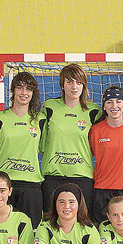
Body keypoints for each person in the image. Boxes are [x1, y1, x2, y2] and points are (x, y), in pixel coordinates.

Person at [0, 72, 46, 244]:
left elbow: (46, 148)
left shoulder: (40, 120)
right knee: (3, 239)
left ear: (33, 93)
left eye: (29, 89)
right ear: (12, 91)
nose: (24, 93)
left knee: (31, 243)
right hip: (4, 187)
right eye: (20, 88)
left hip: (32, 187)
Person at [40, 63, 101, 215]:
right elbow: (42, 144)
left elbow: (98, 145)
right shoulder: (50, 107)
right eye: (70, 82)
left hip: (82, 176)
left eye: (79, 82)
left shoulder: (93, 110)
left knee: (82, 224)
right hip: (53, 176)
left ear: (84, 85)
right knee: (51, 223)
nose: (74, 87)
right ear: (62, 85)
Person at [88, 85, 123, 229]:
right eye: (109, 102)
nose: (114, 106)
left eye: (118, 101)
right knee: (102, 235)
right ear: (104, 107)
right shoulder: (96, 130)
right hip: (102, 190)